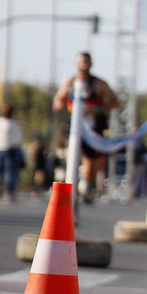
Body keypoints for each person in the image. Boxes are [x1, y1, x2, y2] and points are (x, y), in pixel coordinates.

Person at [52, 52, 121, 199]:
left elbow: (115, 102)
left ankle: (87, 188)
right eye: (80, 62)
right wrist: (60, 105)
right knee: (70, 156)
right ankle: (70, 188)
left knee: (90, 163)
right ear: (76, 64)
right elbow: (58, 100)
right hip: (74, 127)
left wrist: (97, 109)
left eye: (85, 62)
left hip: (92, 129)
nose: (83, 65)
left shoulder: (99, 84)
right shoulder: (69, 83)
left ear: (90, 64)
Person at [0, 103, 25, 203]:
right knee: (9, 172)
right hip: (11, 150)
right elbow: (19, 138)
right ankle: (8, 193)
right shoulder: (13, 124)